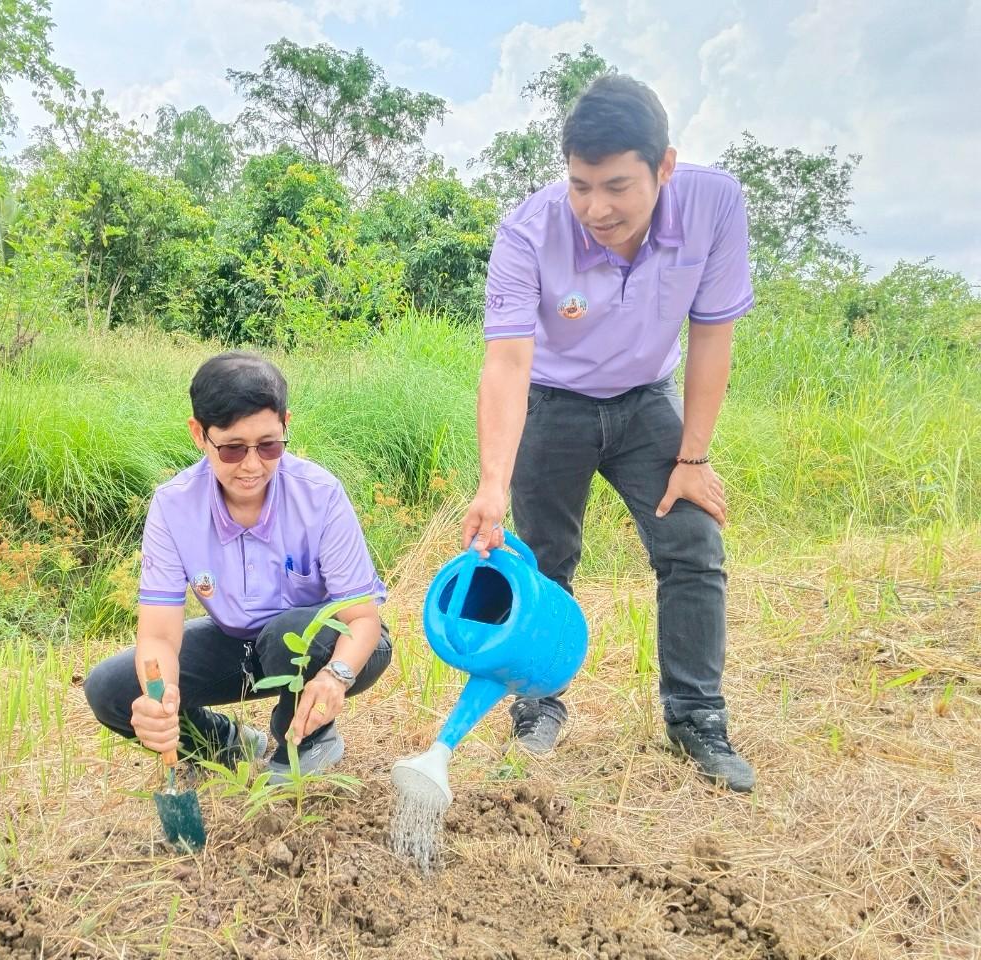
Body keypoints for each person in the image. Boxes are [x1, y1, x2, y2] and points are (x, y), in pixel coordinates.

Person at [462, 74, 756, 792]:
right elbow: (506, 361)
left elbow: (712, 334)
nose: (597, 207)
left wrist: (693, 456)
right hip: (553, 402)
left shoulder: (716, 205)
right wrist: (492, 485)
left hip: (645, 400)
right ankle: (535, 704)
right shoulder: (528, 231)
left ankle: (696, 718)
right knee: (540, 559)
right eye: (581, 185)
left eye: (617, 185)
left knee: (692, 544)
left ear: (664, 166)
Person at [84, 351, 390, 783]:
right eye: (231, 448)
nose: (252, 465)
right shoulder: (174, 508)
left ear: (286, 423)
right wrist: (160, 697)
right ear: (199, 434)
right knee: (111, 689)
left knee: (286, 637)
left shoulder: (319, 495)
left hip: (334, 643)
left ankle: (303, 735)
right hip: (238, 644)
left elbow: (361, 618)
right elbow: (159, 636)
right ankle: (224, 741)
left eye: (268, 445)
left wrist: (336, 678)